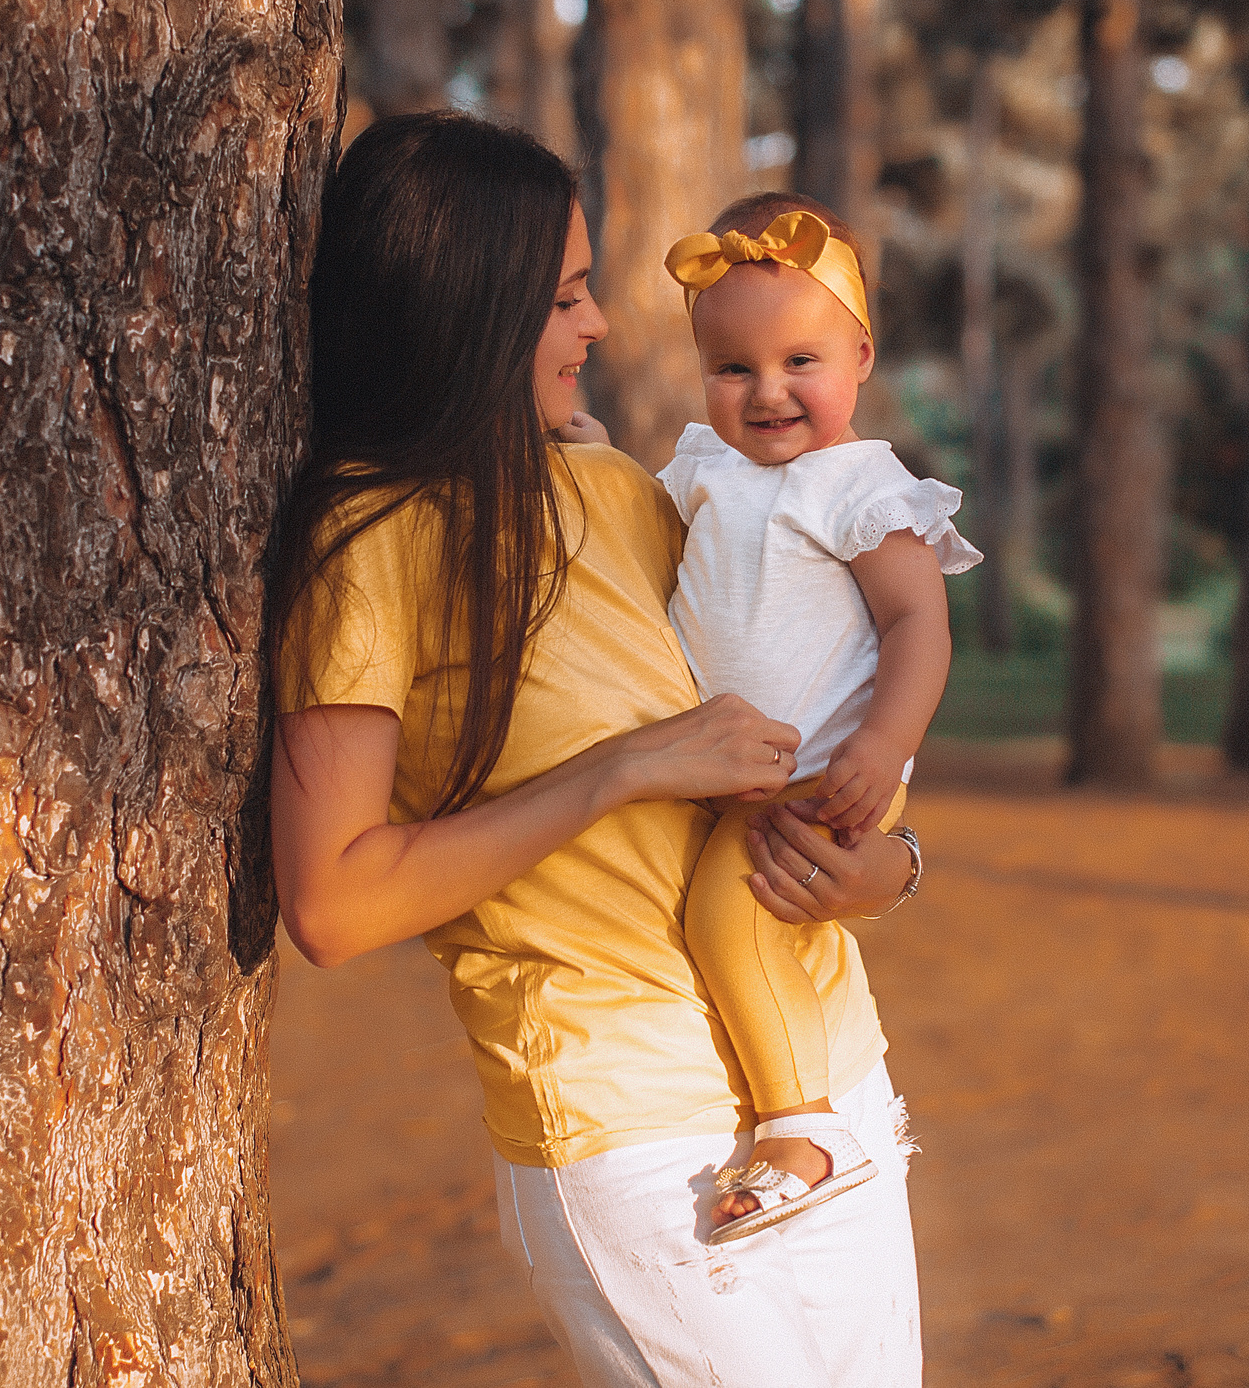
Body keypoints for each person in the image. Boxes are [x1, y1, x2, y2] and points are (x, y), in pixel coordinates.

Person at [271, 112, 925, 1387]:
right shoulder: (365, 539)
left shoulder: (625, 493)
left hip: (826, 1073)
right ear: (465, 308)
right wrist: (624, 769)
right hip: (630, 1124)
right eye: (567, 294)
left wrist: (891, 864)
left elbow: (818, 699)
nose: (603, 327)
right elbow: (334, 903)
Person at [658, 196, 979, 1243]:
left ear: (860, 355)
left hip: (824, 765)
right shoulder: (700, 464)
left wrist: (882, 750)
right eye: (733, 368)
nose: (767, 393)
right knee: (713, 914)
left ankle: (802, 1129)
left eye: (802, 361)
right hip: (729, 762)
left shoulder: (855, 483)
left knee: (728, 911)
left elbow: (915, 623)